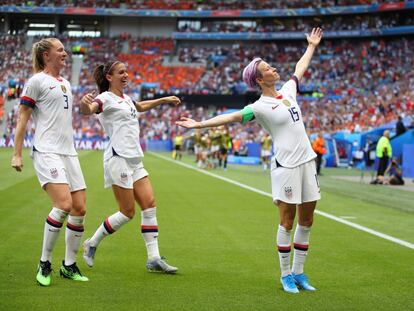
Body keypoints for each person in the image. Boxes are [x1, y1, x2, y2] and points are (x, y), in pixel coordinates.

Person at [176, 28, 323, 294]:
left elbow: (300, 68)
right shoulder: (258, 107)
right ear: (259, 78)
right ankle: (285, 275)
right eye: (268, 68)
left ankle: (300, 273)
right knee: (287, 222)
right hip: (286, 166)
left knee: (307, 221)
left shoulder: (289, 90)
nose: (274, 68)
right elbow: (230, 117)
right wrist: (199, 124)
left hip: (307, 162)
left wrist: (311, 46)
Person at [80, 60, 180, 273]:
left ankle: (153, 259)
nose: (126, 75)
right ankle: (92, 243)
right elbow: (89, 110)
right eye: (121, 72)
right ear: (109, 77)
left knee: (150, 205)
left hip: (135, 158)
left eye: (127, 71)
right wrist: (84, 104)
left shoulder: (126, 99)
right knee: (127, 212)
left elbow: (141, 106)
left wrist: (164, 99)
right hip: (118, 158)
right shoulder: (104, 98)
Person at [11, 38, 89, 286]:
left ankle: (69, 265)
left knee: (80, 209)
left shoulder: (65, 82)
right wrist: (17, 153)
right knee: (64, 203)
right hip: (47, 150)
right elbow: (23, 118)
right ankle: (44, 262)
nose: (65, 53)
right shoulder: (36, 81)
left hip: (69, 152)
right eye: (60, 50)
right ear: (46, 55)